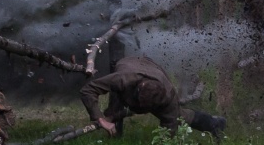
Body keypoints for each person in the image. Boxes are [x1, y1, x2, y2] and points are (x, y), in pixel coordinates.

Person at [80, 56, 226, 140]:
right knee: (112, 112)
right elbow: (88, 90)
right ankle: (114, 138)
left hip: (154, 70)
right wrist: (100, 119)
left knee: (179, 117)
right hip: (133, 64)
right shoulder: (124, 79)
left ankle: (215, 124)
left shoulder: (168, 96)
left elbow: (169, 128)